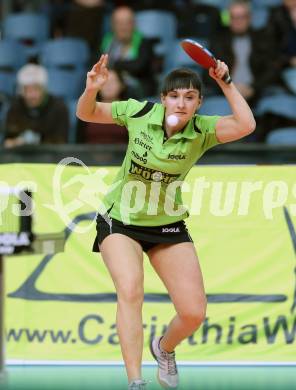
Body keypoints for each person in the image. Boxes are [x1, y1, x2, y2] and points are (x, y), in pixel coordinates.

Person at [76, 54, 255, 389]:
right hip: (120, 219)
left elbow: (246, 125)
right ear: (163, 99)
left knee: (193, 313)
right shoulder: (138, 112)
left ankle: (164, 348)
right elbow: (86, 113)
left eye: (190, 97)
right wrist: (92, 90)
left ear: (199, 103)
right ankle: (135, 382)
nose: (181, 102)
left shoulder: (203, 131)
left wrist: (225, 82)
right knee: (130, 290)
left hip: (167, 225)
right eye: (174, 95)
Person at [204, 0, 281, 107]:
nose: (238, 21)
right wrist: (228, 87)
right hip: (224, 92)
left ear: (249, 18)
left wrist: (253, 88)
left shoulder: (263, 39)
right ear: (228, 19)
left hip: (257, 92)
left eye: (242, 17)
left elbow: (272, 69)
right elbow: (209, 72)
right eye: (233, 17)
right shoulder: (218, 41)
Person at [3, 64, 69, 147]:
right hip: (21, 157)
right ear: (21, 91)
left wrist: (37, 141)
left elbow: (61, 142)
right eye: (27, 89)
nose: (32, 95)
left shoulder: (59, 108)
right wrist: (17, 142)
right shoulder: (15, 108)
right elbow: (7, 142)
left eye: (36, 89)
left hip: (50, 157)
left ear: (44, 89)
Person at [100, 6, 156, 99]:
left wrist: (116, 64)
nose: (123, 27)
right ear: (113, 25)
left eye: (127, 22)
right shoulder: (107, 41)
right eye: (119, 23)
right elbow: (100, 65)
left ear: (134, 24)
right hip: (113, 86)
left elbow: (139, 66)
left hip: (139, 88)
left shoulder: (143, 42)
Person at [77, 68, 129, 143]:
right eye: (105, 82)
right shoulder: (87, 108)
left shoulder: (128, 110)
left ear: (122, 85)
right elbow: (78, 143)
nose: (108, 85)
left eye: (113, 82)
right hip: (90, 154)